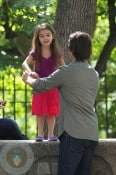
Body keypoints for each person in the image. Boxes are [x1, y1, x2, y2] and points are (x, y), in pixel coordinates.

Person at [22, 31, 99, 175]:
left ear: (71, 50)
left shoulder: (65, 72)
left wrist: (28, 80)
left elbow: (42, 85)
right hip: (91, 133)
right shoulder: (94, 73)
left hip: (73, 134)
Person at [22, 23, 65, 142]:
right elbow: (24, 64)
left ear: (53, 36)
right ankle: (40, 134)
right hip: (39, 85)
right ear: (38, 38)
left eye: (48, 35)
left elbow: (64, 68)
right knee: (40, 112)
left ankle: (51, 134)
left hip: (52, 86)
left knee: (52, 112)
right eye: (41, 36)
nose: (45, 38)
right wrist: (30, 72)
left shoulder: (57, 53)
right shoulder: (35, 52)